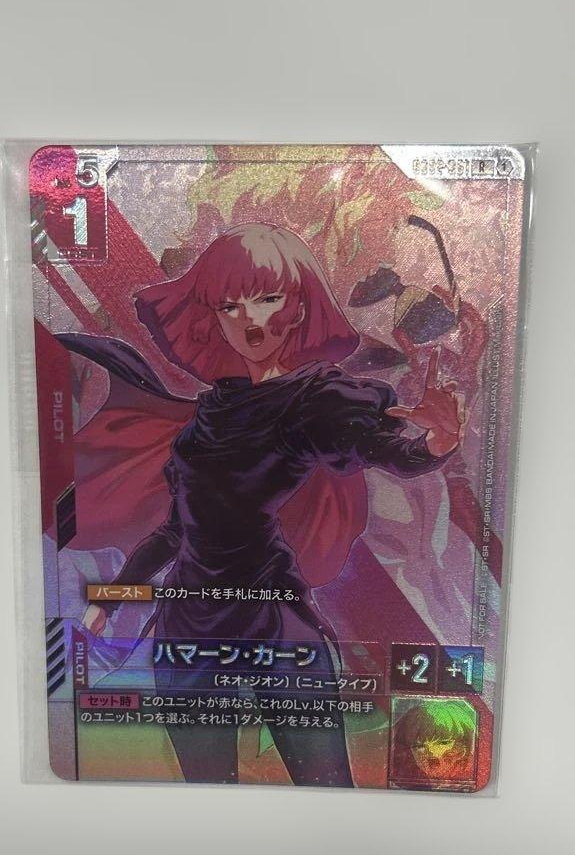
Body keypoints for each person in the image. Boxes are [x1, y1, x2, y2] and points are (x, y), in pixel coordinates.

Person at [62, 223, 464, 786]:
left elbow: (384, 449)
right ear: (214, 316)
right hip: (188, 627)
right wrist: (108, 600)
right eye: (231, 305)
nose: (249, 320)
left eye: (268, 298)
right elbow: (177, 530)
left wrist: (436, 443)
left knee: (327, 787)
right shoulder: (211, 413)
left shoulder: (316, 400)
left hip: (273, 620)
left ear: (300, 306)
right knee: (207, 794)